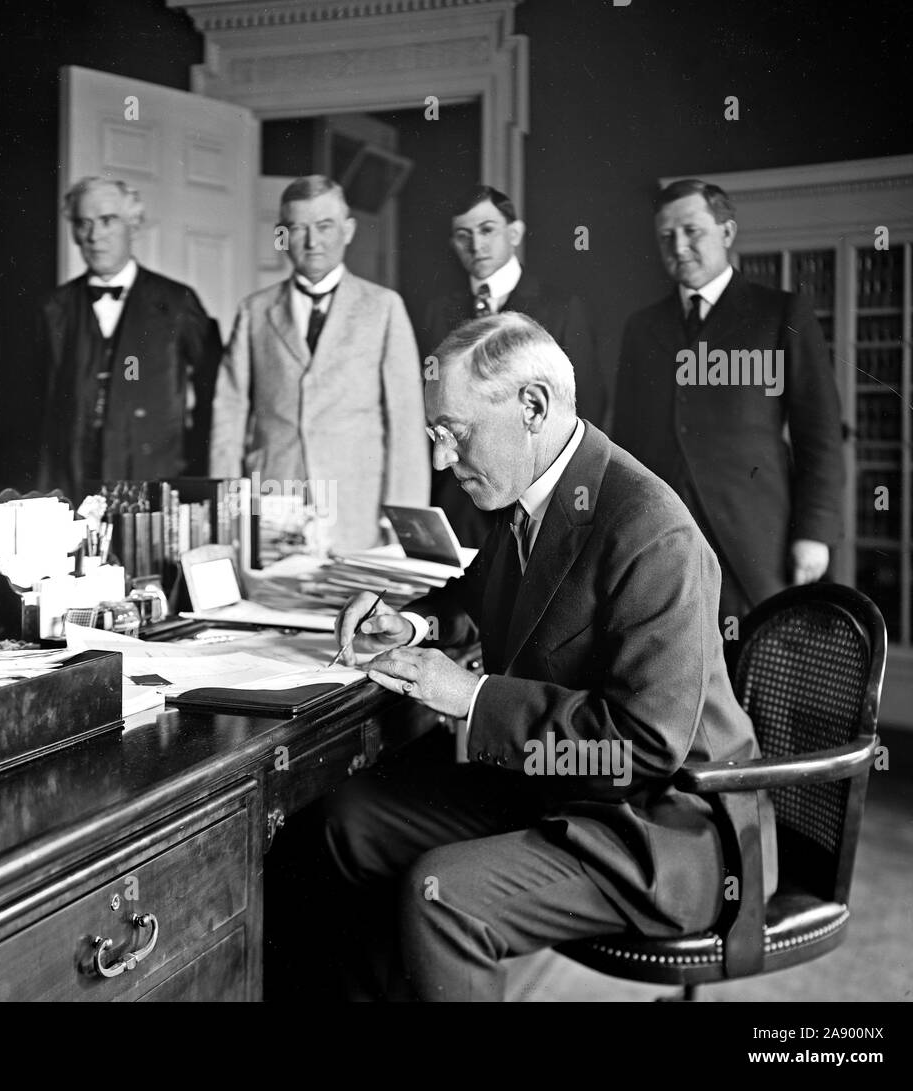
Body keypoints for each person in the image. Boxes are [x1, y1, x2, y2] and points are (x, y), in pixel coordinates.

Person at [323, 312, 776, 1002]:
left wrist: (471, 698)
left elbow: (644, 745)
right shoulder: (539, 490)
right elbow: (480, 591)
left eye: (456, 432)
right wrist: (409, 624)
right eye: (435, 434)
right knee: (347, 820)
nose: (443, 459)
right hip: (559, 790)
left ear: (532, 407)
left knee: (444, 895)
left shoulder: (651, 528)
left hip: (658, 826)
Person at [613, 178, 844, 626]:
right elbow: (624, 444)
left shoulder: (780, 314)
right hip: (664, 546)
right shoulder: (642, 327)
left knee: (759, 684)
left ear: (727, 233)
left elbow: (821, 436)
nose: (678, 246)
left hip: (757, 551)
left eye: (691, 231)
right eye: (665, 236)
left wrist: (814, 534)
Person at [209, 176, 429, 552]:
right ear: (282, 236)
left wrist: (403, 518)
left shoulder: (382, 307)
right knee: (277, 606)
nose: (313, 242)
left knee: (356, 607)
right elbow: (228, 417)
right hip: (276, 500)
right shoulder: (255, 311)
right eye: (298, 228)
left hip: (357, 508)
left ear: (347, 230)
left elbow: (406, 421)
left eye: (324, 226)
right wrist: (226, 512)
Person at [421, 185, 604, 548]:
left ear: (514, 233)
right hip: (461, 501)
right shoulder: (439, 309)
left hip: (536, 497)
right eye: (464, 235)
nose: (476, 245)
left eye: (487, 230)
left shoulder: (561, 306)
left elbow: (585, 407)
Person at [36, 177, 221, 499]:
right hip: (73, 476)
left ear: (134, 225)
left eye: (108, 221)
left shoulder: (177, 302)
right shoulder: (55, 307)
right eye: (83, 223)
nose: (94, 236)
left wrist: (195, 464)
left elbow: (215, 391)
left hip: (155, 473)